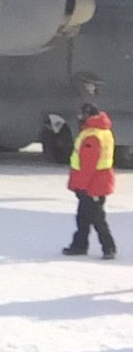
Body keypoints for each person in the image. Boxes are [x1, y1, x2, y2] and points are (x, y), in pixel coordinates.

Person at [63, 102, 118, 259]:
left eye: (82, 115)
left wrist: (80, 186)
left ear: (88, 115)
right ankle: (79, 245)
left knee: (97, 218)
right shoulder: (102, 131)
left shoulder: (92, 135)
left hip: (92, 185)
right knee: (83, 217)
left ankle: (108, 248)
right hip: (97, 183)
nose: (80, 118)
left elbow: (88, 165)